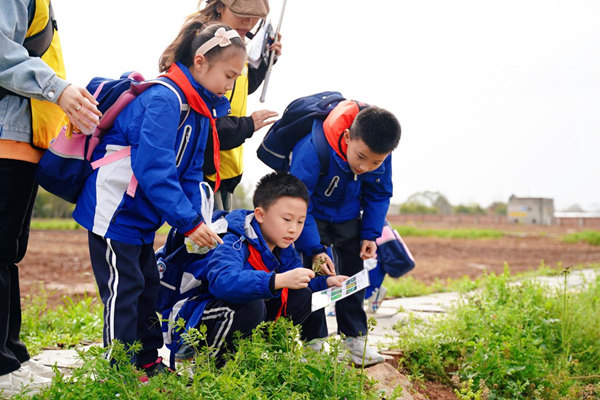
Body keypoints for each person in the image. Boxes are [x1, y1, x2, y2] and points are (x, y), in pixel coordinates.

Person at [72, 19, 247, 377]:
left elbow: (190, 174)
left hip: (141, 216)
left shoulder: (198, 109)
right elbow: (154, 169)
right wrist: (188, 221)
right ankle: (117, 371)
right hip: (114, 210)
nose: (230, 87)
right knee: (125, 290)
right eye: (229, 76)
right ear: (200, 61)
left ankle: (148, 362)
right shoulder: (164, 99)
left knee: (148, 286)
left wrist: (197, 220)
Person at [0, 0, 100, 395]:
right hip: (6, 136)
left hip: (23, 139)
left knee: (8, 253)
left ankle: (11, 354)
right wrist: (59, 90)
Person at [162, 172, 347, 364]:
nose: (293, 228)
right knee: (252, 304)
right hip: (193, 317)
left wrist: (326, 282)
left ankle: (253, 357)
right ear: (259, 214)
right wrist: (277, 280)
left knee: (302, 296)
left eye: (300, 221)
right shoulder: (233, 238)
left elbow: (295, 283)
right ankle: (206, 365)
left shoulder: (284, 248)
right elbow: (222, 281)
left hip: (226, 313)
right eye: (286, 219)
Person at [290, 100, 401, 366]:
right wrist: (315, 248)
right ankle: (313, 343)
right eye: (361, 157)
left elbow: (379, 194)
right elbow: (298, 200)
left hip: (348, 217)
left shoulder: (380, 154)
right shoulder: (314, 148)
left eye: (376, 162)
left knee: (354, 275)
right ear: (348, 137)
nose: (365, 167)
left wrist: (370, 235)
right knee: (316, 275)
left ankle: (354, 339)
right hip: (311, 215)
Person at [193, 0, 281, 211]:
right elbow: (206, 122)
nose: (249, 23)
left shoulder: (233, 45)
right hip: (203, 171)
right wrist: (248, 125)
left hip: (227, 169)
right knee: (204, 241)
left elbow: (241, 89)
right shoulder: (206, 49)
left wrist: (267, 60)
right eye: (242, 14)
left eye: (254, 17)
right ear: (219, 6)